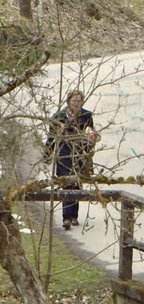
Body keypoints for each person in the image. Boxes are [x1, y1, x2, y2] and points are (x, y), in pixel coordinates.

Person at [46, 90, 101, 230]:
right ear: (68, 101)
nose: (76, 103)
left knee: (76, 183)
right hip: (64, 153)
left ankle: (74, 216)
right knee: (66, 183)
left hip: (79, 153)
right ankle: (66, 217)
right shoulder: (59, 116)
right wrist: (47, 153)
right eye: (74, 100)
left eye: (79, 101)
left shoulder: (86, 115)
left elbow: (90, 133)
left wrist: (91, 145)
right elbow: (52, 137)